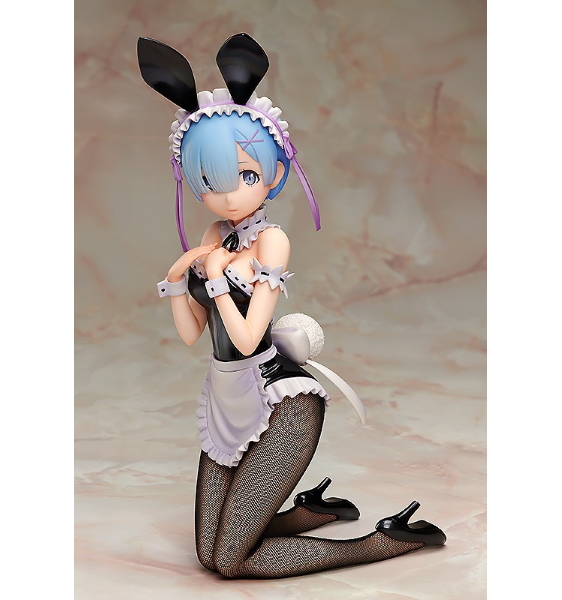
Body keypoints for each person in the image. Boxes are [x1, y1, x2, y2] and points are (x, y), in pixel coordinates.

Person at [138, 33, 446, 579]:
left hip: (280, 402)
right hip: (225, 398)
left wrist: (214, 279)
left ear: (274, 173)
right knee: (208, 553)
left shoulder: (271, 242)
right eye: (209, 181)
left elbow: (249, 337)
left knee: (229, 562)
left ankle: (385, 540)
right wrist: (176, 280)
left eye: (245, 176)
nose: (228, 196)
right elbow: (192, 335)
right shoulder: (215, 235)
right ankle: (311, 512)